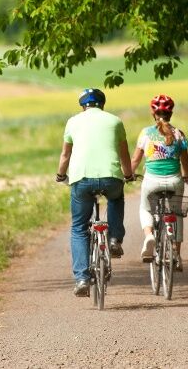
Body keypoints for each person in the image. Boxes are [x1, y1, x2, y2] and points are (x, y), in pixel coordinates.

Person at [55, 88, 135, 297]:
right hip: (111, 177)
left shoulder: (73, 122)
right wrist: (128, 175)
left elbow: (65, 155)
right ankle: (115, 239)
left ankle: (82, 279)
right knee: (115, 198)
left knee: (79, 228)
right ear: (102, 104)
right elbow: (124, 153)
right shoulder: (115, 121)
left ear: (83, 105)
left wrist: (60, 175)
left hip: (81, 179)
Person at [130, 93, 188, 270]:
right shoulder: (179, 134)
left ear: (153, 113)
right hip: (174, 181)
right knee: (177, 214)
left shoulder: (146, 133)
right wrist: (186, 174)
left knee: (145, 208)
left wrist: (129, 175)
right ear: (171, 113)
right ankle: (176, 254)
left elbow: (135, 159)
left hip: (152, 182)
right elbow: (185, 159)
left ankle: (149, 235)